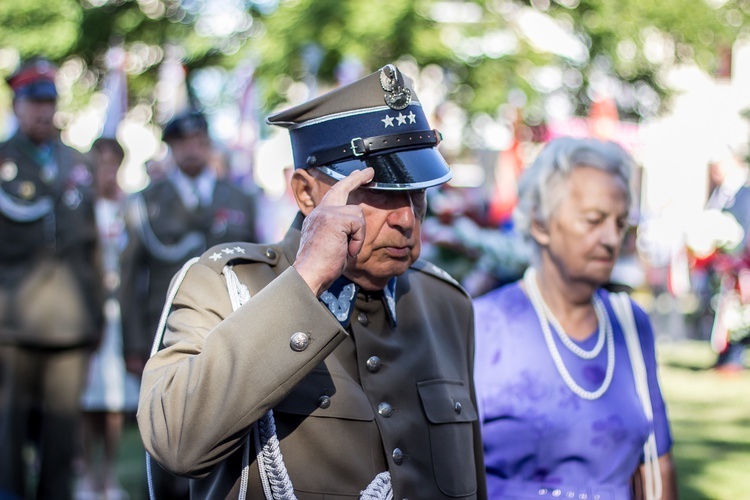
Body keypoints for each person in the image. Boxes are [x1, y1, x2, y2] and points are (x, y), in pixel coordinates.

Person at [137, 63, 487, 499]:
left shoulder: (444, 303)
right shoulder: (226, 285)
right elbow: (176, 443)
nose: (405, 218)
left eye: (417, 192)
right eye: (379, 192)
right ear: (306, 194)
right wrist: (305, 281)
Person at [473, 137, 677, 499]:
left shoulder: (629, 324)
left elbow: (656, 462)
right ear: (540, 223)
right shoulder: (483, 324)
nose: (612, 239)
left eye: (621, 224)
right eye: (594, 221)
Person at [119, 110, 258, 498]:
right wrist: (132, 344)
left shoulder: (241, 198)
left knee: (229, 433)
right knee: (170, 433)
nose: (192, 150)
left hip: (231, 330)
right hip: (167, 334)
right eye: (183, 143)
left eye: (199, 141)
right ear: (171, 148)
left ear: (209, 143)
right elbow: (130, 279)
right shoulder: (146, 202)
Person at [0, 58, 103, 499]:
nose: (43, 111)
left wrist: (97, 312)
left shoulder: (77, 162)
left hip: (71, 320)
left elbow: (92, 245)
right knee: (9, 427)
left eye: (49, 102)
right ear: (17, 105)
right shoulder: (3, 160)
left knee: (62, 433)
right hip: (11, 322)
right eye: (33, 102)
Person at [76, 138, 136, 500]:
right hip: (87, 312)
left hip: (118, 315)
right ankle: (86, 472)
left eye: (114, 164)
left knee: (113, 401)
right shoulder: (82, 207)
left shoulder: (129, 207)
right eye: (102, 165)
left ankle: (108, 474)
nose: (108, 172)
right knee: (87, 400)